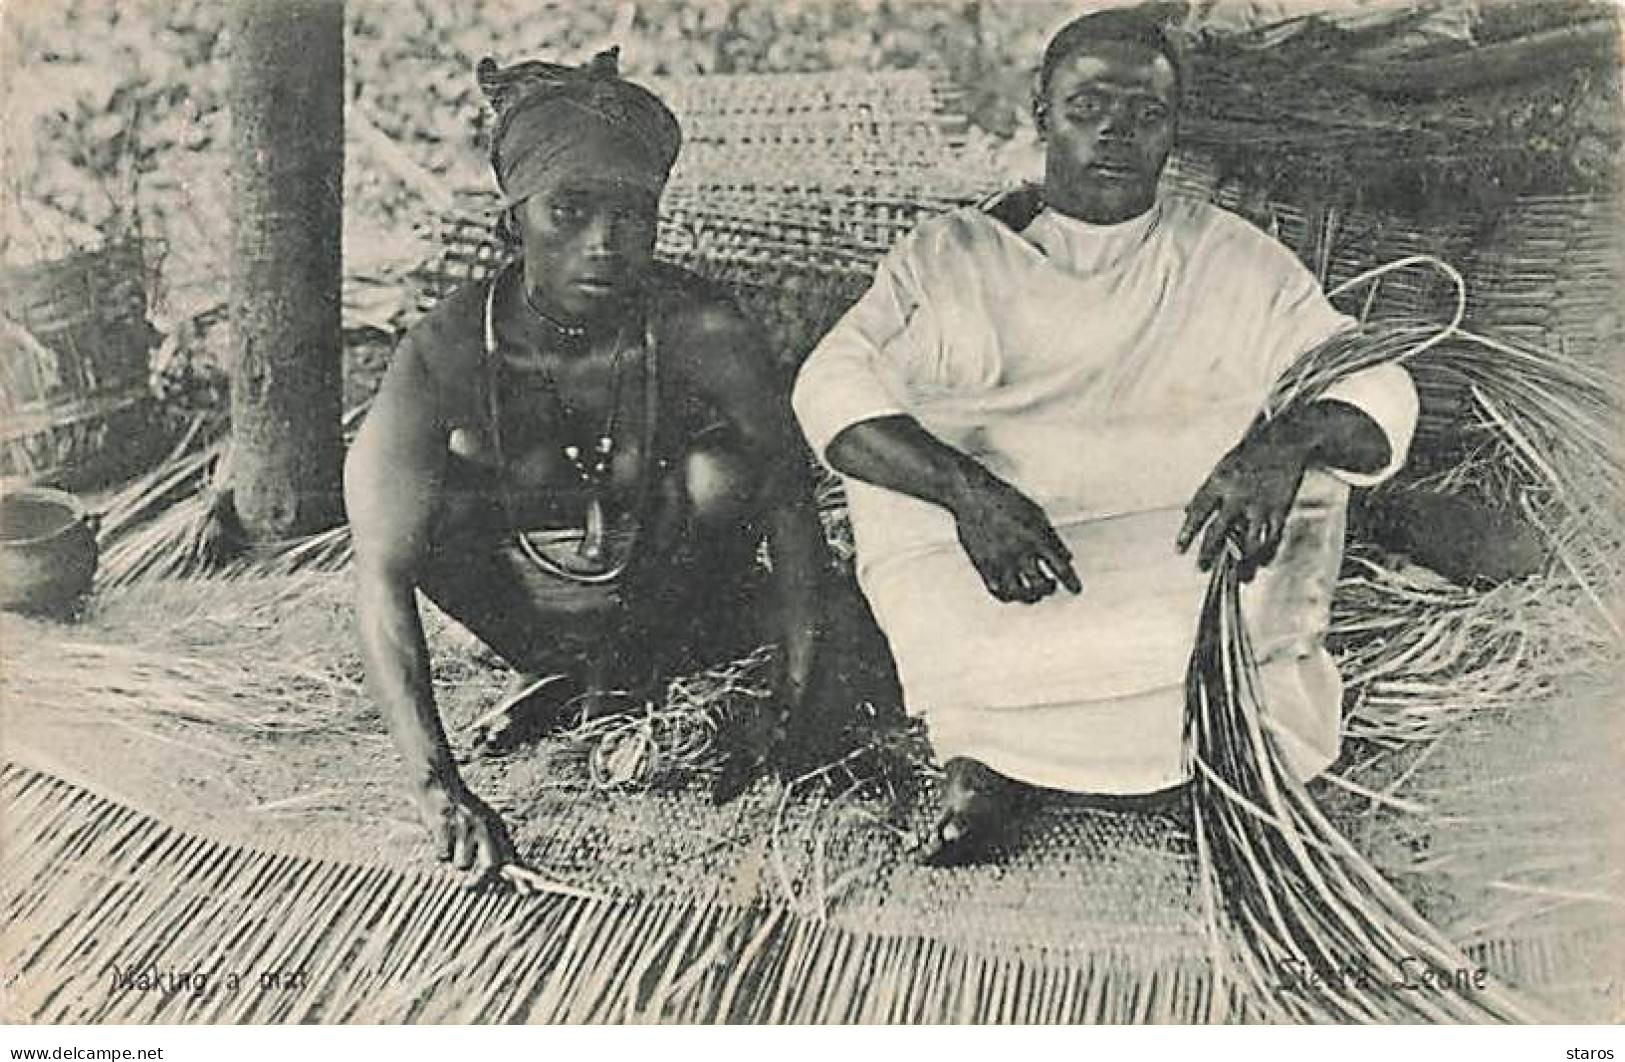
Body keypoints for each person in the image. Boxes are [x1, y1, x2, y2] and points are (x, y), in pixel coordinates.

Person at [791, 8, 1418, 866]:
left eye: (1144, 113)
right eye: (1088, 106)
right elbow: (830, 385)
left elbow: (1373, 380)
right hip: (1009, 547)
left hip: (1177, 541)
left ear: (1171, 129)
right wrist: (969, 495)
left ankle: (1228, 757)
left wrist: (1284, 443)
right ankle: (984, 753)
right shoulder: (951, 255)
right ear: (1040, 112)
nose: (1115, 132)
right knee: (886, 477)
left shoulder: (1229, 257)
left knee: (1311, 476)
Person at [345, 50, 825, 886]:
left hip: (673, 610)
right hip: (522, 611)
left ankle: (617, 677)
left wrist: (795, 694)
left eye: (631, 214)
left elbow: (790, 510)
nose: (604, 242)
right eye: (569, 210)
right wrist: (437, 786)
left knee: (722, 473)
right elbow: (381, 575)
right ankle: (569, 675)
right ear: (511, 225)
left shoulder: (702, 329)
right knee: (423, 512)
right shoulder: (445, 351)